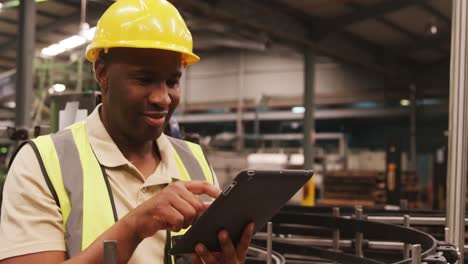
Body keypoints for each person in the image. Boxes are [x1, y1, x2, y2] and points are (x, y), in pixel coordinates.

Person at [0, 0, 254, 263]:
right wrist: (134, 227)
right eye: (144, 79)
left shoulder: (194, 160)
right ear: (102, 73)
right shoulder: (43, 163)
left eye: (172, 81)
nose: (163, 98)